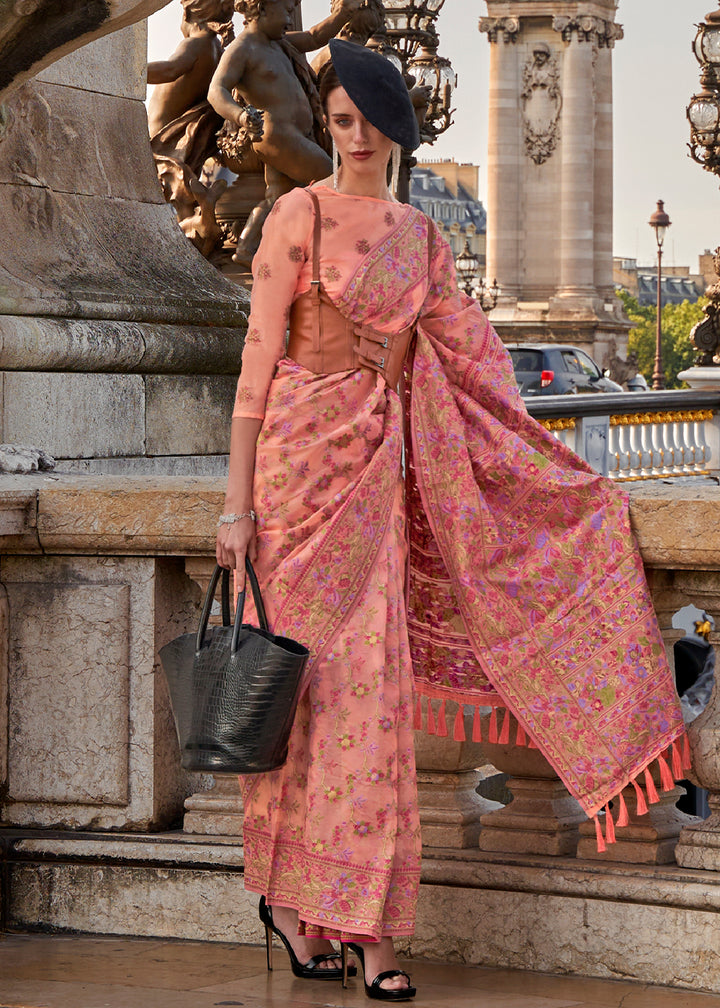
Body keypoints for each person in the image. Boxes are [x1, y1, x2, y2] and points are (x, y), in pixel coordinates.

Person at [216, 39, 688, 1003]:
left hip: (377, 487)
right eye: (337, 119)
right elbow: (255, 373)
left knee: (372, 716)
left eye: (366, 122)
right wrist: (235, 507)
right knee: (296, 708)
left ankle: (374, 935)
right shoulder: (295, 215)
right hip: (294, 485)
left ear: (396, 128)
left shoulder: (423, 243)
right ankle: (297, 911)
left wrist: (568, 488)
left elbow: (483, 383)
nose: (349, 139)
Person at [207, 0, 361, 262]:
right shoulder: (243, 48)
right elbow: (216, 90)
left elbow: (315, 36)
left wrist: (343, 13)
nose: (290, 19)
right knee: (336, 180)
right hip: (277, 133)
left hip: (291, 135)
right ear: (262, 9)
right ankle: (339, 250)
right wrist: (241, 115)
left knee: (277, 197)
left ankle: (246, 248)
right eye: (287, 11)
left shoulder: (279, 42)